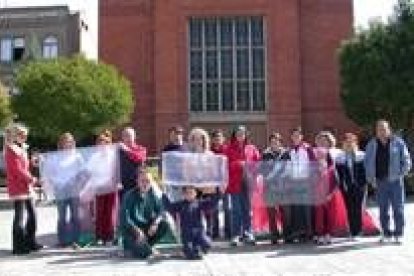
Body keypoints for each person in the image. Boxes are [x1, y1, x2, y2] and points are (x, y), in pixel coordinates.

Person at [365, 120, 412, 244]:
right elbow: (367, 162)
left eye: (384, 128)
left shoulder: (398, 143)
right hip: (379, 182)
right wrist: (371, 179)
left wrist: (401, 174)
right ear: (376, 131)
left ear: (389, 129)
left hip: (395, 181)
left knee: (398, 208)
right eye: (379, 129)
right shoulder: (371, 144)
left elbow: (406, 160)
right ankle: (386, 233)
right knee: (383, 209)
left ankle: (398, 233)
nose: (381, 131)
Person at [4, 123, 42, 255]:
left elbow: (24, 166)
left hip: (26, 185)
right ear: (15, 135)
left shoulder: (22, 148)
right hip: (18, 185)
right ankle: (18, 247)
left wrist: (34, 162)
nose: (25, 137)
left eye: (25, 135)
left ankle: (30, 241)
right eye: (22, 135)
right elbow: (17, 170)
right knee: (19, 216)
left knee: (32, 214)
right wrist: (32, 179)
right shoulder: (10, 149)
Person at [119, 168, 170, 259]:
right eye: (142, 181)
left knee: (164, 225)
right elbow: (125, 219)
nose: (145, 183)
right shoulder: (129, 196)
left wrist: (155, 223)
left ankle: (146, 246)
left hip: (146, 230)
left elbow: (161, 210)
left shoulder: (152, 194)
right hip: (132, 232)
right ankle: (142, 249)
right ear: (137, 181)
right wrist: (137, 232)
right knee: (143, 254)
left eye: (148, 181)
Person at [162, 185, 221, 260]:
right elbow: (169, 207)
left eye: (191, 193)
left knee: (207, 244)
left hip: (199, 232)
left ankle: (198, 248)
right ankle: (191, 250)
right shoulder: (180, 204)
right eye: (187, 193)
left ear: (195, 193)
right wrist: (164, 195)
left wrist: (217, 192)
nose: (189, 195)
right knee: (190, 253)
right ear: (183, 194)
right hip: (187, 234)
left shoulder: (199, 203)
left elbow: (212, 204)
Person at [226, 125, 261, 246]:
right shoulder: (229, 148)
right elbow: (225, 166)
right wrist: (239, 164)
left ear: (246, 134)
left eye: (243, 133)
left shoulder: (252, 148)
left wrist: (251, 167)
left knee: (247, 209)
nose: (240, 135)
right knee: (236, 210)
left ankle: (248, 233)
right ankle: (236, 235)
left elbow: (258, 163)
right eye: (238, 133)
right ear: (234, 135)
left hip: (248, 182)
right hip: (235, 183)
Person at [50, 132, 84, 248]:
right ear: (61, 143)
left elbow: (83, 172)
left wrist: (77, 182)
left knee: (75, 216)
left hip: (74, 190)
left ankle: (76, 240)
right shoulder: (55, 156)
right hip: (60, 190)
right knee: (62, 217)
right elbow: (51, 173)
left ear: (73, 143)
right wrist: (56, 183)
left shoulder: (77, 156)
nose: (67, 144)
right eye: (65, 141)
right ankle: (62, 241)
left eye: (70, 141)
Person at [283, 127, 315, 243]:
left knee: (306, 208)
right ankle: (299, 232)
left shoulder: (307, 149)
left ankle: (309, 232)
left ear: (302, 136)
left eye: (298, 135)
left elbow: (313, 165)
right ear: (291, 137)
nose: (296, 137)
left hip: (305, 182)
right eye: (294, 135)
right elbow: (286, 168)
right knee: (296, 208)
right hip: (294, 182)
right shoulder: (289, 151)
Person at [336, 133, 367, 240]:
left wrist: (364, 183)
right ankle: (352, 231)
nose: (349, 144)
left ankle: (357, 232)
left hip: (359, 186)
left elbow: (366, 171)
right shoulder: (339, 158)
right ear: (343, 144)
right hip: (346, 187)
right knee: (349, 209)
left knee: (358, 208)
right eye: (347, 142)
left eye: (351, 142)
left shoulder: (362, 155)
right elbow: (338, 174)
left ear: (355, 143)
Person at [261, 132, 287, 244]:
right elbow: (262, 170)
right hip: (270, 187)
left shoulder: (285, 153)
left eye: (276, 141)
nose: (274, 143)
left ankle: (286, 234)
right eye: (272, 141)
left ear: (280, 142)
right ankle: (274, 235)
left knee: (284, 212)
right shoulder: (265, 154)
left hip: (283, 187)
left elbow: (289, 168)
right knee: (271, 213)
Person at [93, 130, 118, 245]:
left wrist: (117, 182)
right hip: (99, 187)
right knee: (100, 212)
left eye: (105, 143)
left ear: (109, 144)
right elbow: (90, 171)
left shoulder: (113, 156)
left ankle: (109, 236)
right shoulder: (95, 157)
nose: (103, 145)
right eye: (100, 143)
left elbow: (117, 171)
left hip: (111, 187)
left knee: (110, 212)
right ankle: (99, 236)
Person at [210, 129, 230, 240]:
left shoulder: (227, 150)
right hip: (213, 184)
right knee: (214, 209)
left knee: (227, 208)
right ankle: (215, 232)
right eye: (216, 138)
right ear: (212, 140)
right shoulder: (209, 151)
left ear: (223, 139)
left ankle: (228, 231)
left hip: (226, 184)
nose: (218, 139)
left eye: (219, 137)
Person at [119, 127, 147, 199]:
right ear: (122, 138)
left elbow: (139, 159)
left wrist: (126, 150)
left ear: (134, 137)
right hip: (122, 185)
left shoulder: (141, 149)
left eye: (130, 135)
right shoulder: (118, 151)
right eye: (125, 136)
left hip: (136, 184)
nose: (128, 138)